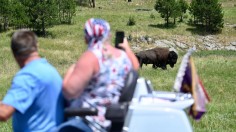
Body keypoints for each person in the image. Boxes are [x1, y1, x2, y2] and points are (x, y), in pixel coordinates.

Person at [62, 18, 139, 130]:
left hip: (88, 120)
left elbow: (69, 91)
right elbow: (135, 67)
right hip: (111, 119)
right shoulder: (122, 56)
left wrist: (73, 68)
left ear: (86, 38)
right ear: (109, 35)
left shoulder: (92, 56)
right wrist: (126, 48)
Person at [0, 29, 64, 132]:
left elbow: (4, 113)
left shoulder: (28, 76)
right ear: (36, 46)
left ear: (14, 53)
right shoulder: (50, 70)